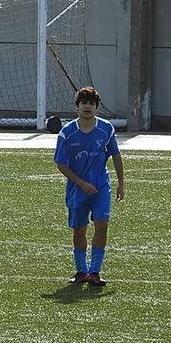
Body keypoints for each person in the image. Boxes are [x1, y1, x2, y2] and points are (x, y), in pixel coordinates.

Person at [54, 86, 124, 286]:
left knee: (102, 225)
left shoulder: (106, 129)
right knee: (79, 230)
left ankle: (95, 271)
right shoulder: (67, 133)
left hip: (101, 187)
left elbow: (116, 155)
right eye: (84, 103)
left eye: (91, 104)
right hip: (78, 190)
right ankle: (81, 271)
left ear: (96, 108)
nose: (88, 107)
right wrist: (81, 183)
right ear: (77, 107)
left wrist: (121, 183)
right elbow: (61, 163)